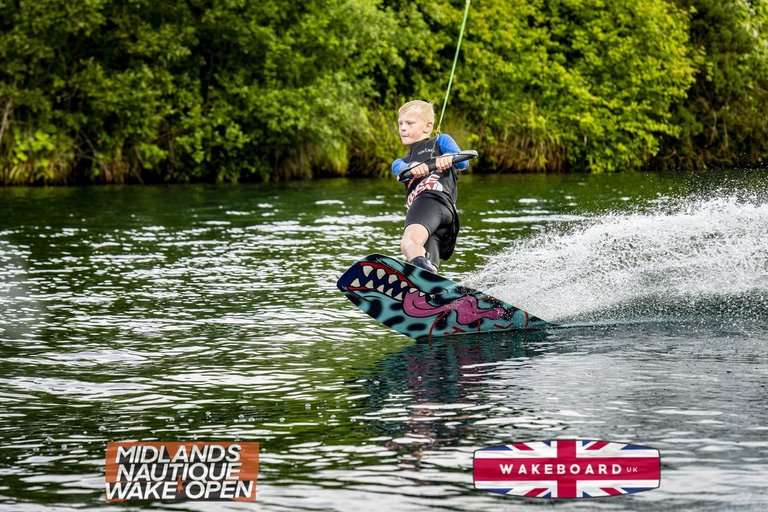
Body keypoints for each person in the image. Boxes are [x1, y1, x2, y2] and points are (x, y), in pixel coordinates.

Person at [391, 100, 469, 274]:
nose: (403, 128)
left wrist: (448, 157)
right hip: (440, 219)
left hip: (430, 203)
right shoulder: (401, 162)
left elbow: (464, 163)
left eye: (409, 123)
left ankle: (423, 278)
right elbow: (402, 171)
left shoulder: (441, 141)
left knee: (409, 243)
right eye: (400, 124)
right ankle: (432, 289)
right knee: (427, 264)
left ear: (427, 127)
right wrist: (414, 167)